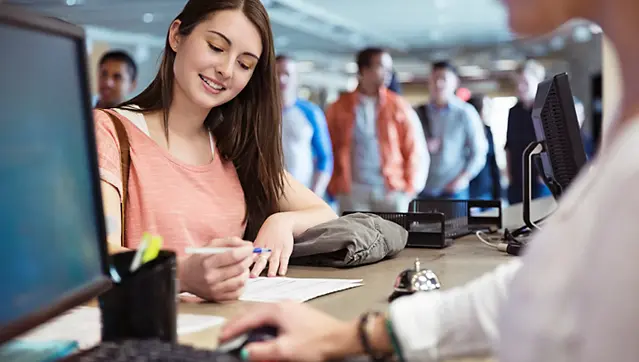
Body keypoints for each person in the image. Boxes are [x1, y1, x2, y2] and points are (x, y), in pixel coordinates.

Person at [220, 0, 639, 360]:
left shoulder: (403, 108)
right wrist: (358, 335)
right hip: (357, 190)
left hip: (401, 187)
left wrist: (409, 184)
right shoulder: (625, 139)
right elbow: (540, 290)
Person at [94, 0, 336, 303]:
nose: (225, 70)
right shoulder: (110, 132)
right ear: (177, 36)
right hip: (147, 333)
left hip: (230, 330)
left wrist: (282, 222)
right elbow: (100, 256)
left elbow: (324, 214)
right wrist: (182, 273)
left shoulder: (232, 147)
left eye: (244, 64)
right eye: (216, 47)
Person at [325, 47, 428, 213]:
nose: (388, 72)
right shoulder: (339, 107)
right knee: (355, 238)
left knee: (396, 237)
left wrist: (411, 188)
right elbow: (328, 148)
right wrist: (333, 185)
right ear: (364, 70)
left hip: (391, 191)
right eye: (381, 66)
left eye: (389, 67)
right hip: (352, 191)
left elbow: (415, 148)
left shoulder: (398, 106)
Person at [415, 61, 488, 200]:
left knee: (456, 222)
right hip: (424, 189)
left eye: (444, 79)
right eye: (435, 79)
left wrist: (463, 178)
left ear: (455, 82)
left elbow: (479, 151)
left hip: (454, 191)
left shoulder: (465, 113)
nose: (438, 84)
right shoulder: (419, 112)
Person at [276, 55, 333, 197]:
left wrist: (315, 194)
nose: (282, 79)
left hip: (302, 191)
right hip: (269, 193)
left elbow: (325, 157)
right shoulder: (259, 113)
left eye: (287, 74)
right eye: (276, 74)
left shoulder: (310, 112)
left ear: (295, 77)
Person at [504, 59, 551, 204]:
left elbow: (553, 145)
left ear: (538, 82)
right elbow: (509, 145)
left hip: (540, 179)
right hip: (517, 178)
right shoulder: (514, 111)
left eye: (525, 83)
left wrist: (546, 174)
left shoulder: (547, 110)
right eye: (518, 83)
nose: (520, 87)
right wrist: (508, 173)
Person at [467, 95, 501, 201]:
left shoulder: (487, 130)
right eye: (487, 107)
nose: (489, 111)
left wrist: (498, 193)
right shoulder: (464, 132)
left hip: (487, 190)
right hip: (470, 190)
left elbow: (493, 162)